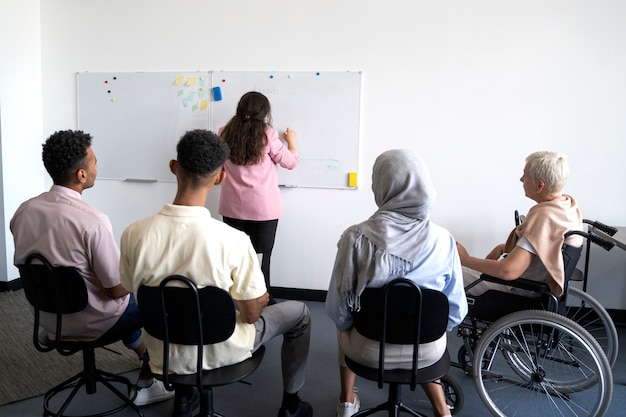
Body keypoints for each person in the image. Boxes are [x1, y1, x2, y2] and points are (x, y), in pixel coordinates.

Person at [120, 129, 313, 417]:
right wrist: (258, 301)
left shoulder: (133, 234)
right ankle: (291, 405)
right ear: (221, 176)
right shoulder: (233, 240)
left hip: (163, 353)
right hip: (223, 350)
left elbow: (134, 293)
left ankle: (185, 395)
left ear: (173, 167)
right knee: (300, 314)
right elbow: (249, 316)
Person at [10, 129, 173, 406]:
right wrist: (145, 274)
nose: (98, 166)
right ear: (81, 175)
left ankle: (143, 357)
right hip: (95, 320)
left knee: (121, 299)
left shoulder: (23, 212)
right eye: (94, 161)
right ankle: (151, 379)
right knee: (155, 301)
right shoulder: (92, 221)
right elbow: (115, 290)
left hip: (49, 321)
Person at [325, 149, 467, 417]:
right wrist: (425, 330)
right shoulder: (443, 240)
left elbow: (338, 311)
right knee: (420, 326)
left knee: (341, 328)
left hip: (369, 351)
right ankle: (442, 412)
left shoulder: (356, 238)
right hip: (427, 352)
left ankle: (346, 400)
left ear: (381, 186)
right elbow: (456, 311)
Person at [456, 151, 583, 298]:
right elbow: (542, 247)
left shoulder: (544, 217)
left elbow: (508, 271)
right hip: (530, 281)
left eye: (525, 175)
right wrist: (503, 247)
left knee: (445, 271)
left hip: (517, 288)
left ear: (540, 185)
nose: (521, 179)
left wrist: (465, 259)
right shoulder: (566, 206)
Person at [218, 91, 299, 295]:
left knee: (233, 257)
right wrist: (292, 142)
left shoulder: (223, 133)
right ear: (264, 112)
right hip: (263, 210)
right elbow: (290, 162)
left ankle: (234, 300)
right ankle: (263, 301)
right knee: (261, 259)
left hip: (232, 208)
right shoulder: (268, 134)